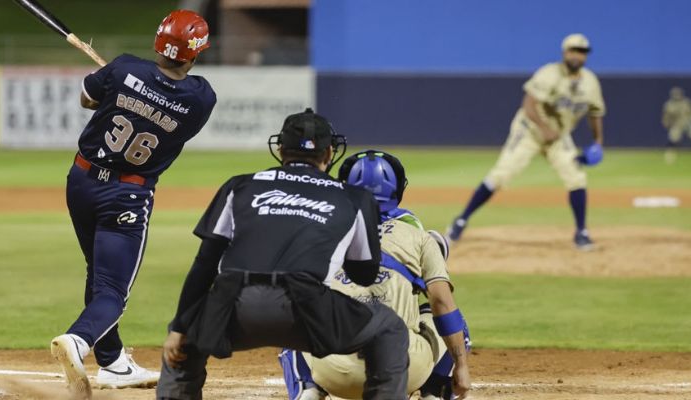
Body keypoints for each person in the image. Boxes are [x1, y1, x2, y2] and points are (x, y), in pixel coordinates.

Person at [156, 109, 410, 400]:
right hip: (308, 310)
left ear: (280, 149)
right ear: (329, 152)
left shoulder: (239, 186)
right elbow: (363, 275)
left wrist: (179, 327)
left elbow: (204, 264)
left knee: (187, 334)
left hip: (234, 305)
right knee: (388, 328)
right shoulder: (355, 197)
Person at [49, 10, 216, 399]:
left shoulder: (124, 68)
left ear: (159, 41)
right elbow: (166, 108)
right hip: (127, 195)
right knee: (112, 290)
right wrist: (137, 95)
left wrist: (123, 89)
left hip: (81, 182)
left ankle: (113, 363)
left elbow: (87, 98)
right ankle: (78, 340)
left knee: (98, 271)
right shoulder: (201, 97)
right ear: (195, 53)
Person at [279, 150, 472, 400]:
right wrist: (463, 366)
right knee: (447, 314)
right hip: (402, 372)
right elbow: (442, 303)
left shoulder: (320, 230)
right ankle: (432, 393)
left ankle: (308, 391)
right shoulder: (420, 237)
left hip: (335, 371)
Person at [446, 33, 606, 251]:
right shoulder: (550, 73)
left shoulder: (590, 82)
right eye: (574, 50)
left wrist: (598, 141)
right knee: (501, 174)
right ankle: (461, 221)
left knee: (576, 178)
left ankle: (581, 232)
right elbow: (529, 104)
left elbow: (595, 113)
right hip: (529, 131)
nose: (578, 55)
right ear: (565, 52)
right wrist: (543, 128)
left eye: (582, 51)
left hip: (558, 136)